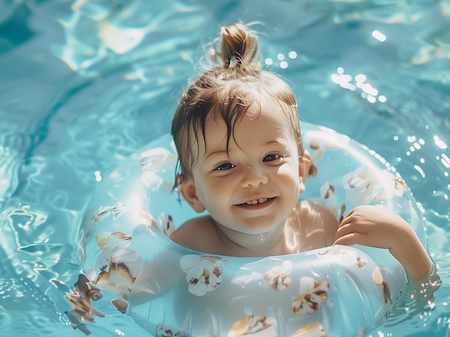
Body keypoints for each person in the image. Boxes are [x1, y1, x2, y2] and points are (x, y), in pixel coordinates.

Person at [169, 21, 433, 281]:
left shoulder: (319, 226)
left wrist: (403, 240)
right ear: (193, 193)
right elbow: (130, 300)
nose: (255, 178)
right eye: (225, 166)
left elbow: (422, 292)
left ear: (301, 171)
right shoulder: (189, 246)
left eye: (271, 157)